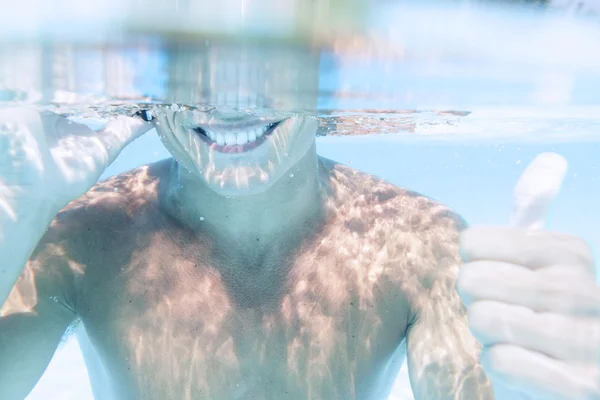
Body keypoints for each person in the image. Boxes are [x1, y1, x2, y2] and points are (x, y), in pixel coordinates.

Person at [0, 43, 598, 400]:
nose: (230, 96)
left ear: (328, 72)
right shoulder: (80, 236)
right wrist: (14, 218)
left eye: (271, 57)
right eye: (187, 59)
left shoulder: (418, 244)